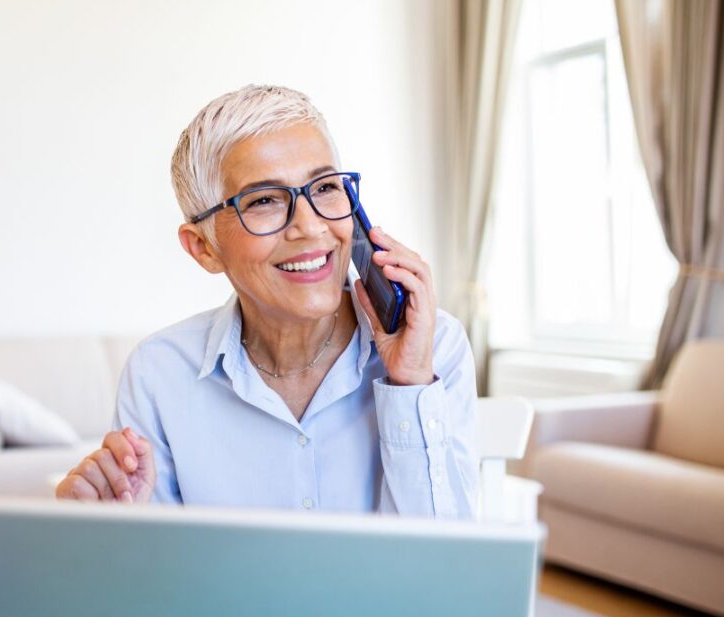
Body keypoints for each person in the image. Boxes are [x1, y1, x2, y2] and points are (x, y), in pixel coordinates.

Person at [56, 84, 478, 519]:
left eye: (326, 187)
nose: (311, 227)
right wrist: (104, 534)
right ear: (204, 248)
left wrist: (410, 385)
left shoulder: (434, 346)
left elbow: (449, 567)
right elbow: (157, 576)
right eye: (263, 201)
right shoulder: (159, 374)